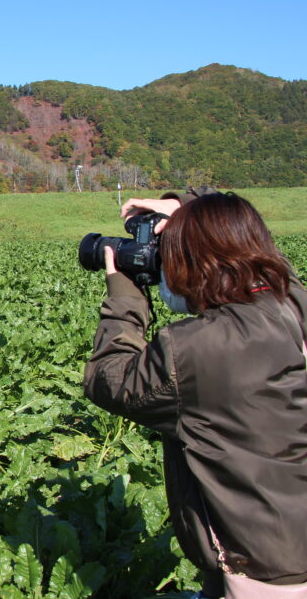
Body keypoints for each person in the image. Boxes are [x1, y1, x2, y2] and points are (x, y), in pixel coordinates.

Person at [85, 189, 307, 597]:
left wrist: (126, 295)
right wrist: (184, 206)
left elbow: (109, 379)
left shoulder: (195, 347)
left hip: (260, 568)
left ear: (196, 263)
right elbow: (250, 242)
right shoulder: (292, 303)